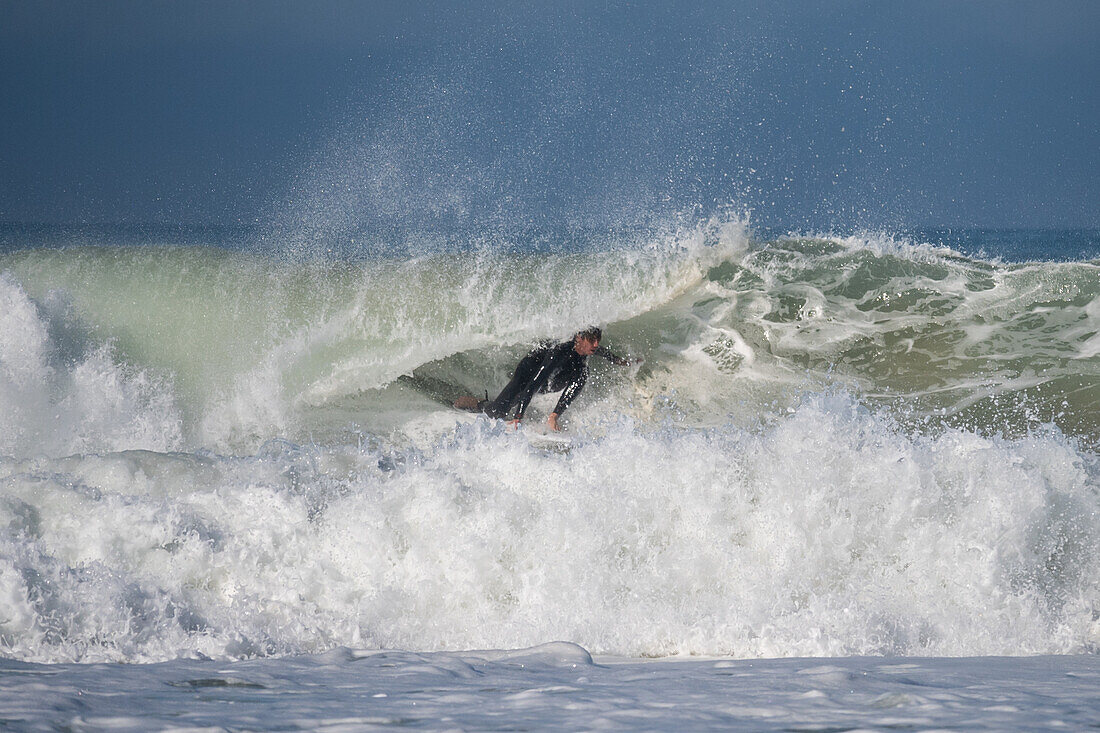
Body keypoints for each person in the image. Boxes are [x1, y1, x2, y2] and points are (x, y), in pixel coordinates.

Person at [454, 327, 634, 431]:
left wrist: (620, 361)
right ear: (580, 338)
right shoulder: (560, 351)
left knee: (583, 373)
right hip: (528, 372)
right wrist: (518, 417)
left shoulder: (587, 349)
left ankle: (554, 415)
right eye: (592, 340)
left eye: (598, 340)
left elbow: (603, 352)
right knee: (497, 412)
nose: (596, 344)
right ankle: (477, 403)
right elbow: (533, 384)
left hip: (550, 380)